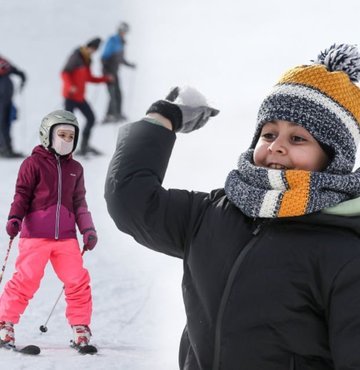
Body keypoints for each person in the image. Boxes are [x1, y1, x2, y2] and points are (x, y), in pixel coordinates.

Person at [104, 43, 360, 369]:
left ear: (332, 159)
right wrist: (162, 118)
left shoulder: (344, 251)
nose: (277, 147)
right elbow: (131, 201)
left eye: (298, 139)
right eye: (268, 134)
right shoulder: (213, 214)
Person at [0, 110, 98, 349]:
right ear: (48, 135)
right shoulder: (32, 164)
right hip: (35, 236)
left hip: (66, 239)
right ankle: (4, 324)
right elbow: (22, 195)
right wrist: (15, 217)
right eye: (61, 134)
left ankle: (80, 328)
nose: (66, 140)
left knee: (77, 281)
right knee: (26, 281)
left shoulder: (76, 168)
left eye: (70, 136)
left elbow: (79, 204)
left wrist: (87, 229)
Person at [61, 37, 112, 156]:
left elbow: (89, 78)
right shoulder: (76, 55)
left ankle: (84, 147)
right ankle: (63, 150)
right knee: (68, 124)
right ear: (89, 47)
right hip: (70, 96)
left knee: (91, 119)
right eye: (93, 49)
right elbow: (64, 72)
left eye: (95, 50)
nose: (93, 52)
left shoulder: (87, 60)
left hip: (80, 97)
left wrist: (105, 79)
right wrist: (70, 86)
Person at [101, 22, 136, 124]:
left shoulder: (121, 43)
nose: (124, 33)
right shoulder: (113, 40)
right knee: (112, 94)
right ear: (120, 30)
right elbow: (104, 57)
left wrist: (130, 65)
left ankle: (118, 114)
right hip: (108, 72)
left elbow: (120, 59)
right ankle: (109, 115)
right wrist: (107, 72)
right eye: (123, 31)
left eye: (125, 31)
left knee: (118, 93)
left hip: (114, 72)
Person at [0, 55, 26, 158]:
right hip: (4, 100)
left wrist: (22, 77)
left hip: (7, 100)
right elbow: (19, 73)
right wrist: (22, 77)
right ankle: (6, 149)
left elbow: (18, 72)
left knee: (5, 124)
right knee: (3, 125)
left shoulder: (3, 62)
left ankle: (6, 149)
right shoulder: (4, 62)